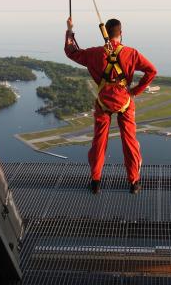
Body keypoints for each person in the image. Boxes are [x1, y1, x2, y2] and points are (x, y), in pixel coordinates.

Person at [64, 17, 157, 195]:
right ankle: (134, 182)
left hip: (103, 103)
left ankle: (96, 182)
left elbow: (72, 52)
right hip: (125, 102)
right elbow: (151, 71)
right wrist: (136, 91)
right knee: (129, 142)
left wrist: (70, 30)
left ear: (105, 33)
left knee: (99, 142)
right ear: (121, 33)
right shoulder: (131, 53)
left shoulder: (95, 53)